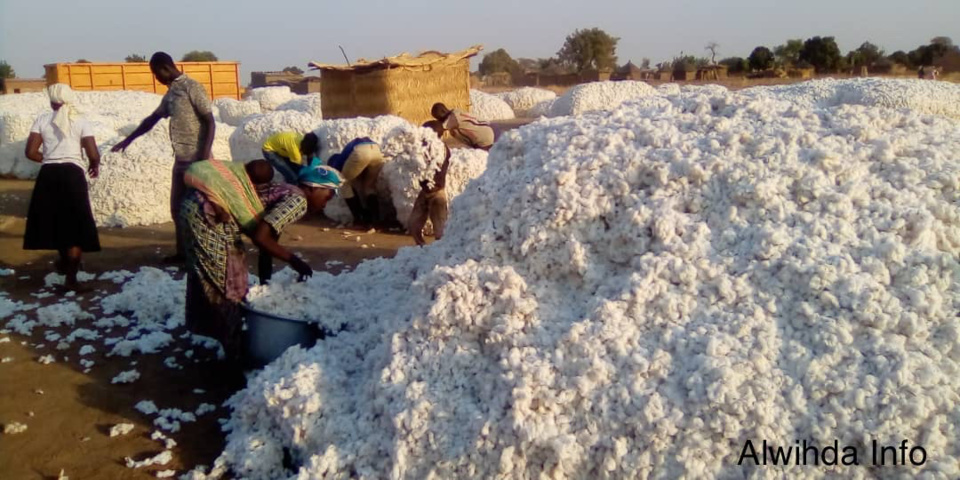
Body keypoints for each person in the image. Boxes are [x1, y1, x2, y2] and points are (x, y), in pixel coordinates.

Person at [180, 159, 341, 364]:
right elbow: (261, 238)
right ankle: (235, 357)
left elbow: (267, 243)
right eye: (327, 195)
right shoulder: (298, 201)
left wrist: (267, 286)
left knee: (214, 273)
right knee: (229, 282)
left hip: (195, 206)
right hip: (208, 215)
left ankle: (220, 336)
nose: (326, 203)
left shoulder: (287, 191)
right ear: (311, 188)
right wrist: (294, 260)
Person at [111, 51, 216, 264]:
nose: (156, 79)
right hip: (181, 160)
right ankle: (183, 253)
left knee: (201, 209)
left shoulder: (191, 87)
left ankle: (204, 254)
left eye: (155, 74)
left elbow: (209, 122)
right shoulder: (172, 93)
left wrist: (204, 154)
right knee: (177, 208)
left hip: (198, 161)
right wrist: (129, 139)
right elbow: (152, 119)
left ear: (164, 68)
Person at [23, 84, 101, 291]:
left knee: (56, 220)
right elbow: (93, 153)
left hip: (48, 175)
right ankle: (71, 279)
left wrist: (49, 158)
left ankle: (64, 262)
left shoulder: (42, 120)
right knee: (75, 224)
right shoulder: (81, 121)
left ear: (52, 101)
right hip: (73, 174)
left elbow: (30, 152)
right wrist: (94, 166)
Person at [326, 137, 387, 226]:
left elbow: (338, 174)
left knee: (344, 184)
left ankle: (358, 218)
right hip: (376, 150)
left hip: (361, 152)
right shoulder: (346, 153)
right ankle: (376, 219)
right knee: (369, 186)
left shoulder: (337, 161)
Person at [408, 144, 451, 246]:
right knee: (413, 224)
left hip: (437, 193)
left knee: (440, 228)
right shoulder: (425, 149)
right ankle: (422, 247)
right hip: (424, 192)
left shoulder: (441, 150)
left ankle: (441, 250)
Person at [430, 102, 495, 150]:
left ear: (443, 111)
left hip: (483, 137)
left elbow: (437, 128)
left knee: (482, 159)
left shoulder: (453, 119)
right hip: (487, 130)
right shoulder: (456, 112)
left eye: (438, 117)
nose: (439, 120)